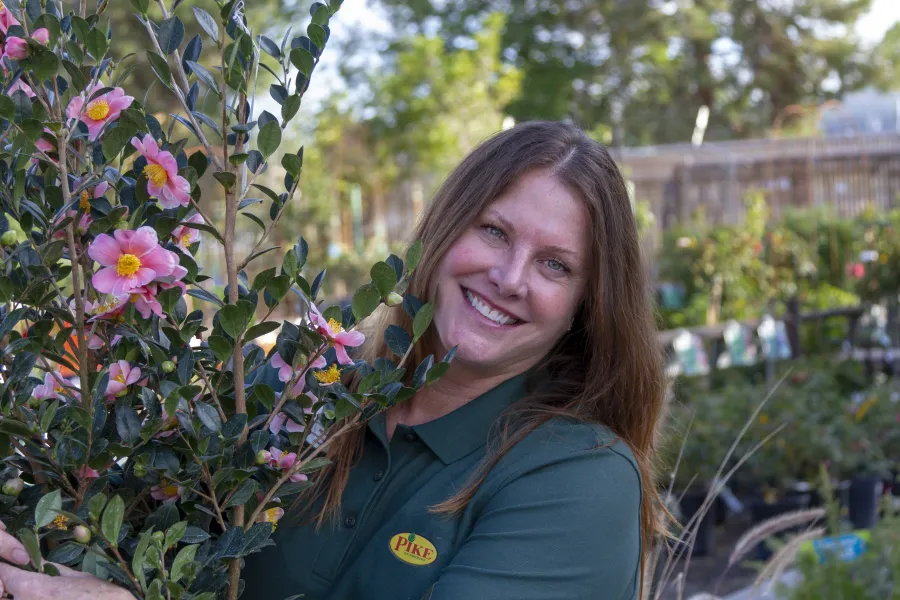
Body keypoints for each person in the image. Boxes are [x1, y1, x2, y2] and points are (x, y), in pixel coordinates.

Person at [0, 121, 667, 600]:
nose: (511, 276)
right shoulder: (303, 401)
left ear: (587, 303)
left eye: (556, 264)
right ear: (442, 232)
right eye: (493, 231)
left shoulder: (578, 478)